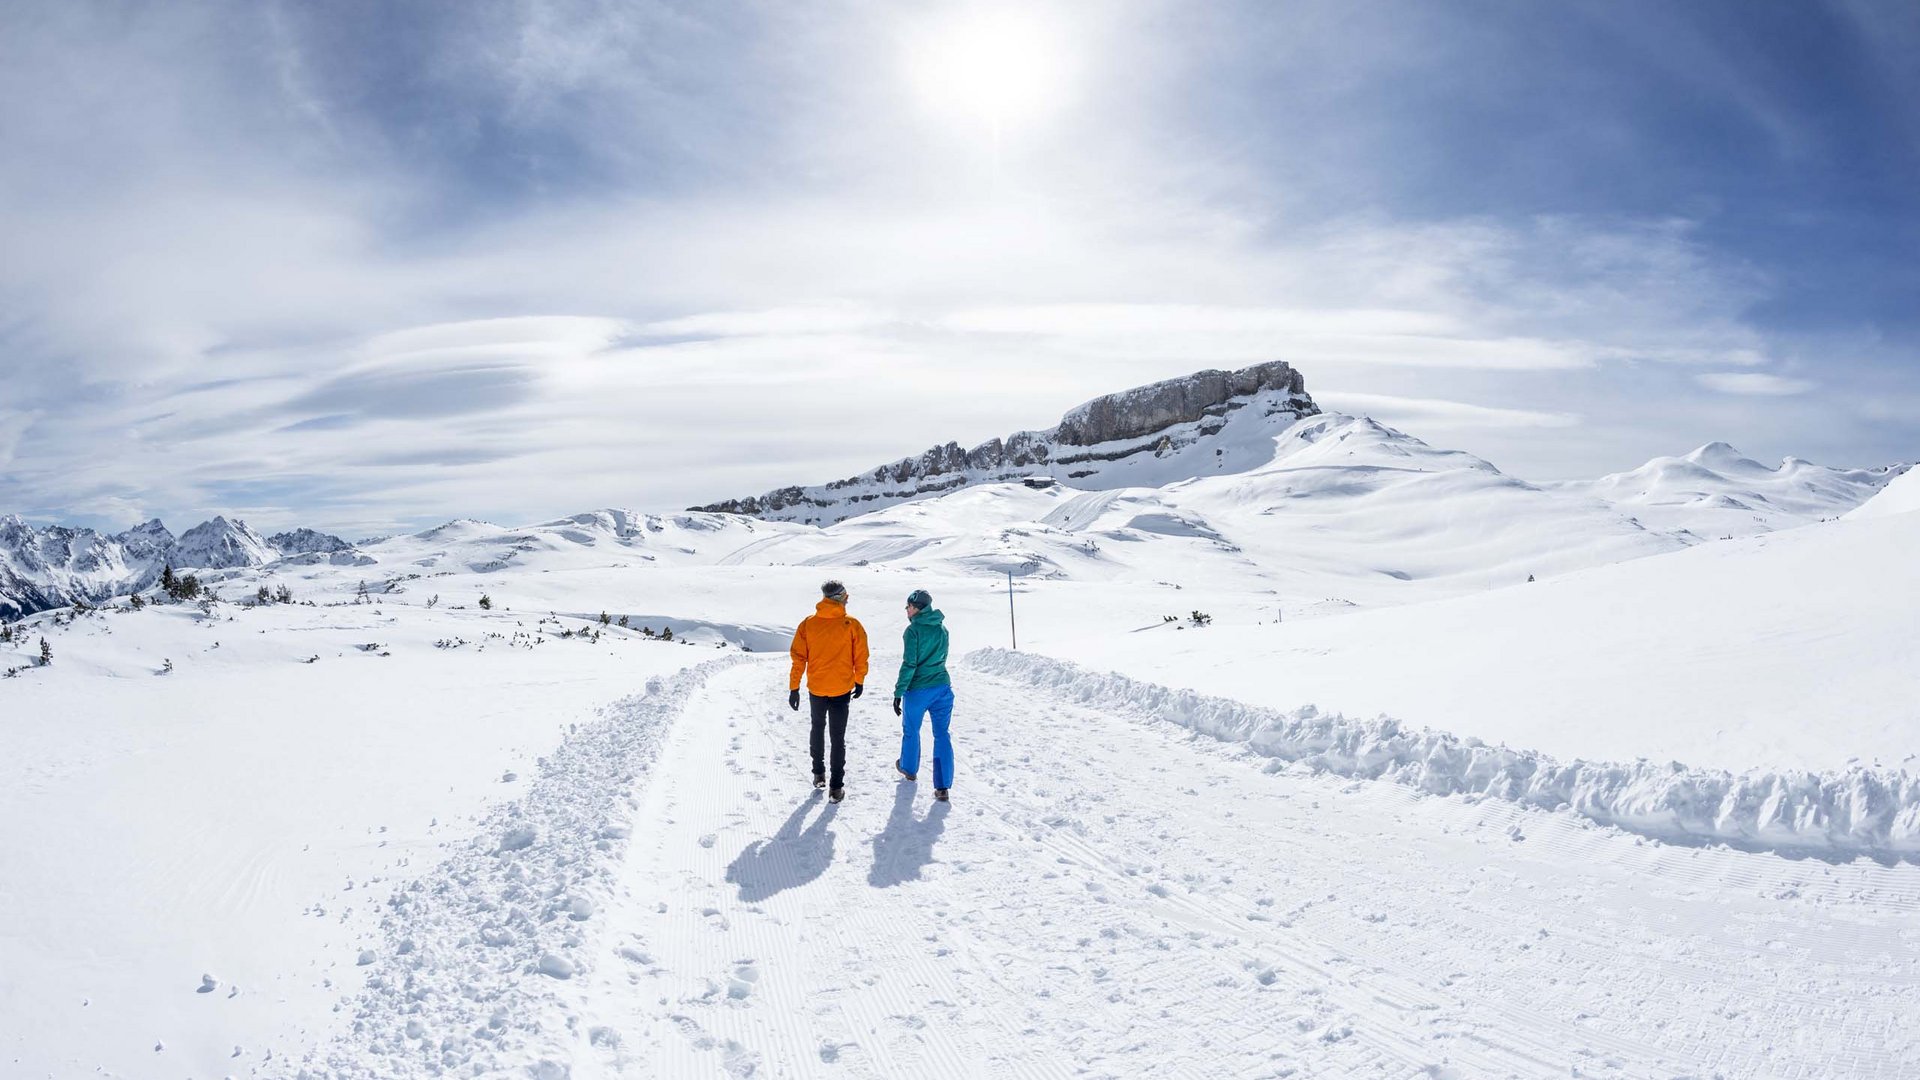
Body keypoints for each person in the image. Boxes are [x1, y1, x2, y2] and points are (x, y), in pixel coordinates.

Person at [789, 580, 869, 802]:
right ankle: (836, 787)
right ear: (839, 597)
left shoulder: (808, 624)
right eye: (845, 595)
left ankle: (818, 774)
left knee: (817, 728)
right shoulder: (851, 624)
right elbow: (861, 655)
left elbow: (798, 658)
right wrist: (859, 680)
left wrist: (794, 687)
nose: (848, 598)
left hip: (816, 688)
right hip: (841, 689)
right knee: (837, 737)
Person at [891, 588, 954, 802]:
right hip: (942, 688)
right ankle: (942, 786)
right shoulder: (942, 628)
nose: (906, 610)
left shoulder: (913, 631)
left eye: (908, 606)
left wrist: (899, 692)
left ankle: (909, 768)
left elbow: (910, 664)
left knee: (911, 730)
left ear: (916, 608)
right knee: (942, 734)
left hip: (918, 690)